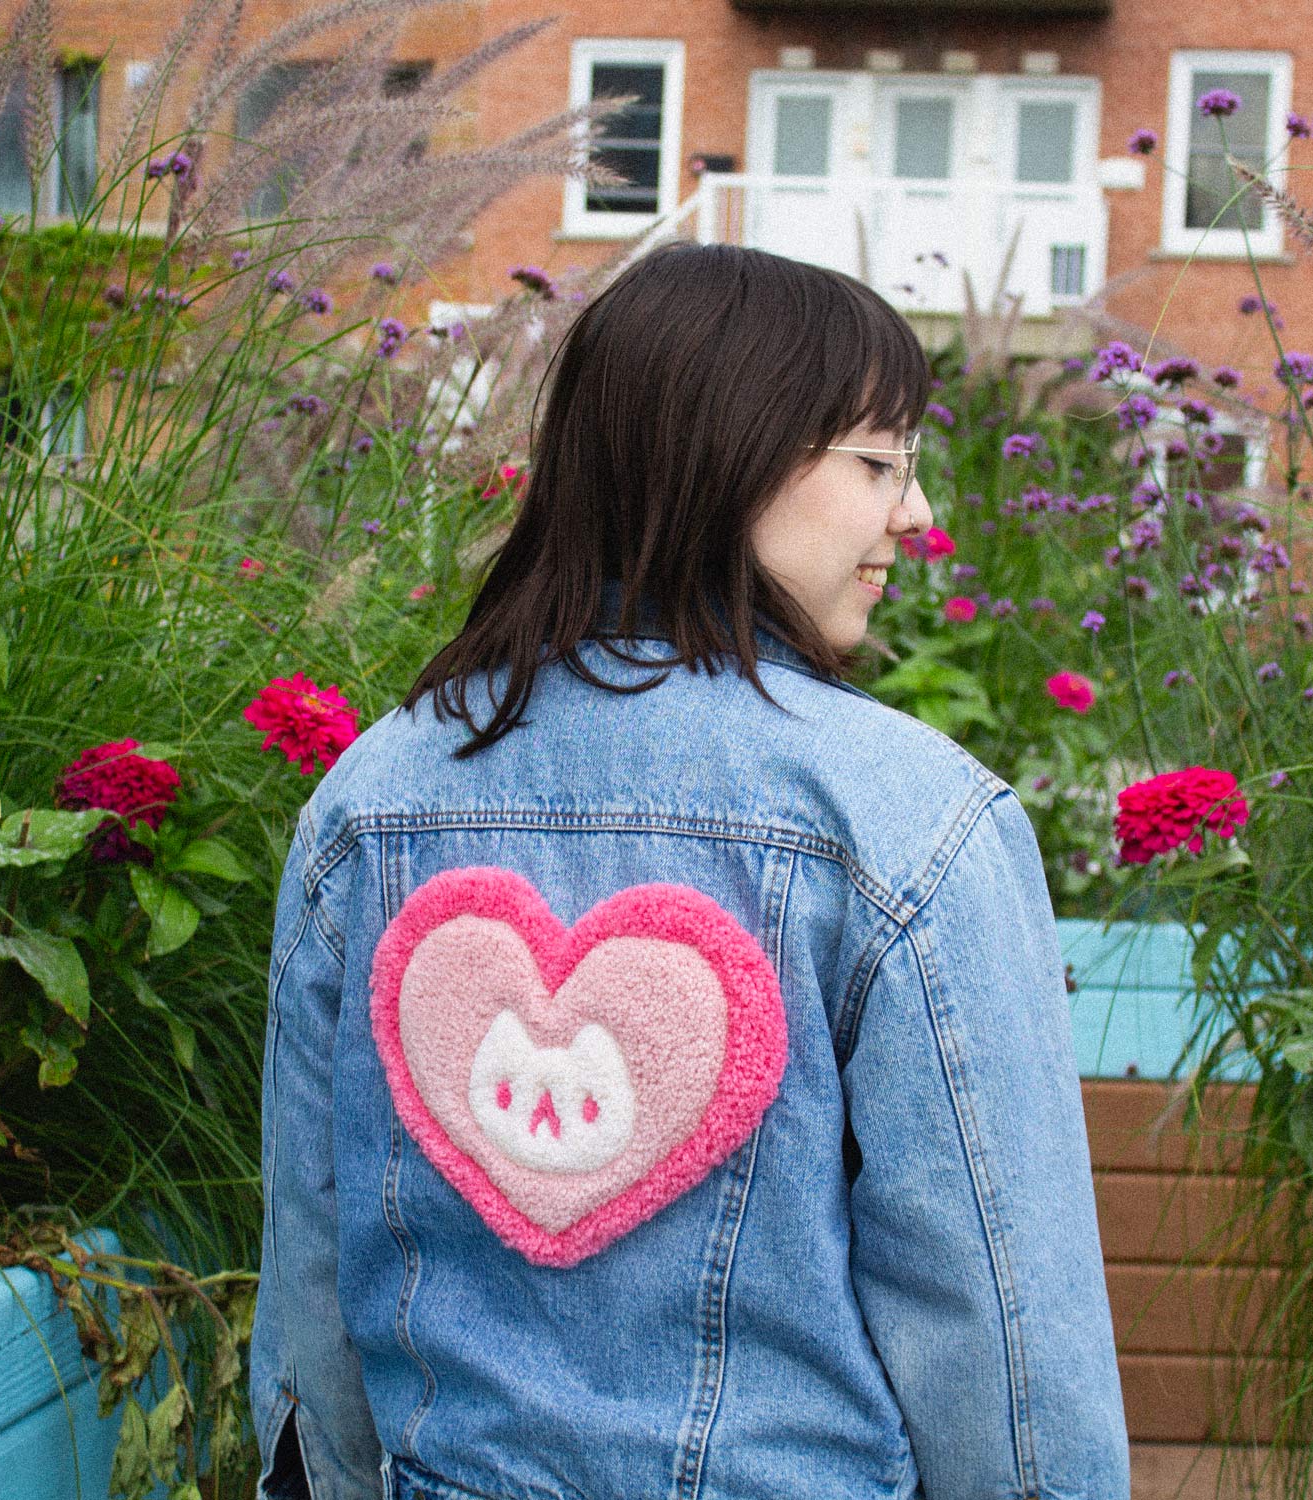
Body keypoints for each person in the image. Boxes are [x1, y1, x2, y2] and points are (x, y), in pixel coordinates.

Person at [250, 242, 1130, 1500]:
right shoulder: (906, 821)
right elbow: (999, 1317)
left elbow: (316, 1255)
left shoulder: (373, 799)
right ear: (738, 454)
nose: (916, 516)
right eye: (882, 463)